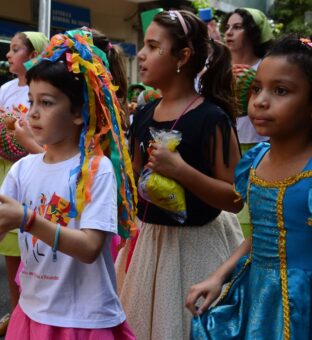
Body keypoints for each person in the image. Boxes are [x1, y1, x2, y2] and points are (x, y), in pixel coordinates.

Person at [0, 28, 137, 339]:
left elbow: (90, 248)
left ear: (80, 113)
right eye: (31, 101)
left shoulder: (97, 169)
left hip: (82, 320)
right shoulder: (23, 169)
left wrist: (28, 220)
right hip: (31, 311)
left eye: (47, 102)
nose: (33, 113)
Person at [115, 10, 245, 339]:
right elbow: (133, 181)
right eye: (143, 45)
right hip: (149, 245)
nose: (141, 54)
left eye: (153, 46)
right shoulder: (143, 115)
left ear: (182, 56)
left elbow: (234, 198)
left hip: (198, 249)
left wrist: (181, 171)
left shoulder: (211, 118)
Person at [186, 35, 312, 339]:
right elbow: (262, 232)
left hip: (302, 304)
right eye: (257, 89)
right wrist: (218, 276)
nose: (260, 101)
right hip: (254, 294)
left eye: (280, 90)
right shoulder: (255, 160)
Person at [0, 31, 49, 337]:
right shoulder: (6, 88)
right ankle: (16, 312)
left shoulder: (45, 88)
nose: (8, 55)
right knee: (10, 246)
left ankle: (37, 315)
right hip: (8, 169)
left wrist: (16, 130)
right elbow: (2, 132)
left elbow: (39, 137)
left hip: (36, 167)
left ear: (35, 54)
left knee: (37, 249)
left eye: (15, 49)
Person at [222, 8, 275, 238]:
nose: (229, 33)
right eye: (227, 27)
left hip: (262, 149)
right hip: (225, 149)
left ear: (254, 32)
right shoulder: (215, 68)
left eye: (237, 27)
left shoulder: (269, 67)